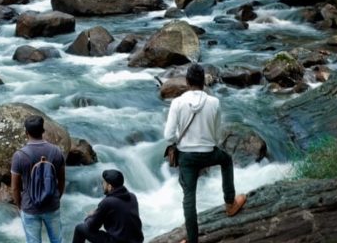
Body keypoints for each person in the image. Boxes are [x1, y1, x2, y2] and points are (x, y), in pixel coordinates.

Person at [163, 63, 246, 243]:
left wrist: (181, 139)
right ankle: (230, 204)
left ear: (186, 81)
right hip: (209, 152)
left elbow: (168, 136)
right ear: (203, 82)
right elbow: (217, 135)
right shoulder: (214, 102)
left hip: (186, 156)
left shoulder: (177, 103)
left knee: (189, 197)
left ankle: (192, 240)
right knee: (226, 160)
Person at [11, 115, 66, 243]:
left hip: (30, 207)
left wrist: (20, 206)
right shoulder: (56, 151)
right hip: (52, 205)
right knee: (57, 240)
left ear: (26, 133)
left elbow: (15, 187)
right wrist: (56, 197)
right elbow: (62, 180)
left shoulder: (19, 155)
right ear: (43, 131)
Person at [72, 169, 144, 243]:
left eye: (104, 182)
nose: (102, 184)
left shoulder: (108, 202)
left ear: (109, 186)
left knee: (80, 228)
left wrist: (91, 216)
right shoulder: (132, 197)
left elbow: (92, 226)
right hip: (137, 241)